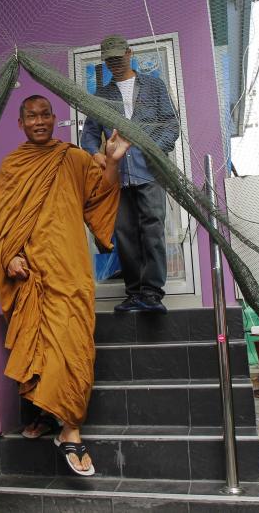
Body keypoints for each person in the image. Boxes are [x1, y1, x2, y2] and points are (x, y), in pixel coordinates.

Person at [0, 95, 130, 476]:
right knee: (37, 343)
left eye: (44, 115)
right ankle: (51, 417)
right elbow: (2, 220)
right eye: (30, 116)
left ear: (55, 119)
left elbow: (101, 197)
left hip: (69, 269)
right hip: (31, 270)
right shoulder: (13, 165)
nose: (38, 121)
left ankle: (71, 426)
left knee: (73, 342)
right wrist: (9, 256)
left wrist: (114, 162)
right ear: (20, 123)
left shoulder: (73, 157)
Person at [81, 35, 180, 313]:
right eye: (109, 59)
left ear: (129, 53)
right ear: (105, 60)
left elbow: (172, 124)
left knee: (152, 230)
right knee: (124, 233)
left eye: (118, 56)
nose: (114, 62)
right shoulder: (100, 95)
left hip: (150, 172)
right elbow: (88, 136)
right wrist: (99, 157)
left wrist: (150, 149)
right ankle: (134, 292)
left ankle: (152, 293)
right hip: (118, 176)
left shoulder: (154, 85)